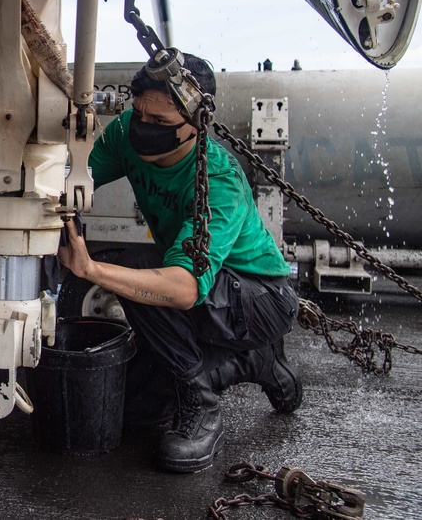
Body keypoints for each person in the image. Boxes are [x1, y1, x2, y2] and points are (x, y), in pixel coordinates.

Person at [56, 53, 302, 473]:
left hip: (260, 298)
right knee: (135, 411)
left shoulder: (217, 181)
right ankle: (253, 362)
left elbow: (184, 289)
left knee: (134, 268)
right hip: (210, 288)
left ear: (197, 122)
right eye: (140, 114)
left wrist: (94, 272)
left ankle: (204, 404)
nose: (143, 128)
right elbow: (71, 185)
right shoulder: (125, 134)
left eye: (160, 123)